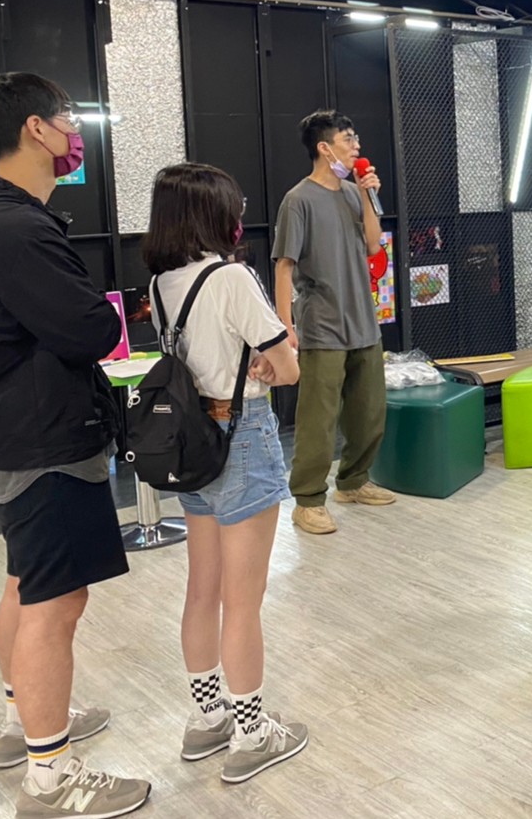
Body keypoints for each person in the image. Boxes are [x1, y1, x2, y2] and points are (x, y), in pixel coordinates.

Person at [0, 72, 151, 817]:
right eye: (68, 117)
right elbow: (89, 327)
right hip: (42, 439)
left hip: (14, 433)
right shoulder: (16, 228)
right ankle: (50, 776)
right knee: (55, 601)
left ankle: (23, 723)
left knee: (24, 582)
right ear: (35, 128)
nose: (76, 131)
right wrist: (106, 312)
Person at [143, 164, 308, 784]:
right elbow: (287, 367)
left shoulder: (162, 283)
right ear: (213, 214)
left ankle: (207, 717)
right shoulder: (232, 276)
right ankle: (251, 732)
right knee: (244, 602)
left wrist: (254, 363)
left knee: (203, 590)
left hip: (192, 445)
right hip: (243, 436)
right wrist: (269, 365)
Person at [272, 110, 395, 535]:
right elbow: (284, 266)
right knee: (318, 420)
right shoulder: (298, 200)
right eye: (348, 139)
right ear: (325, 148)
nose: (357, 145)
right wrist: (285, 325)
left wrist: (367, 195)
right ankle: (308, 500)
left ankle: (354, 481)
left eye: (356, 137)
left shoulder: (351, 192)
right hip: (322, 324)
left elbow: (373, 244)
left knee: (369, 412)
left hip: (363, 320)